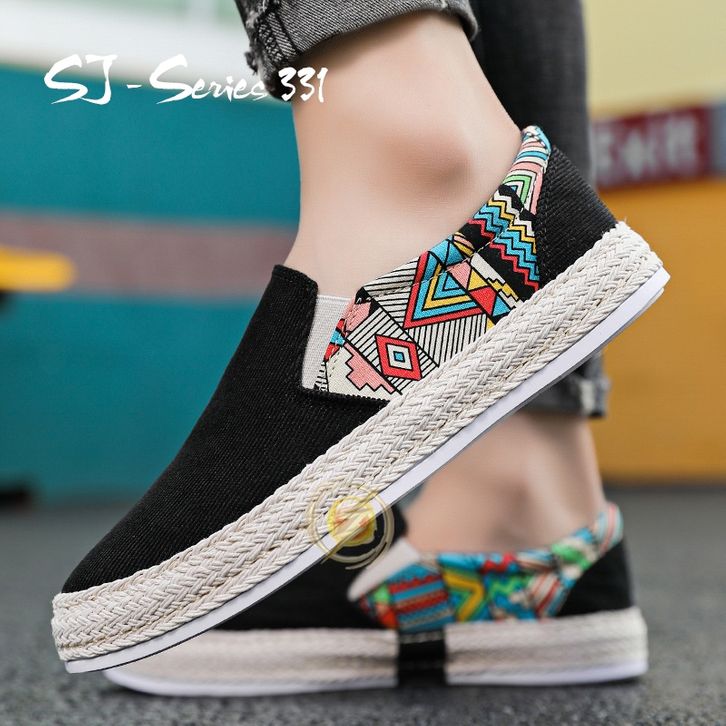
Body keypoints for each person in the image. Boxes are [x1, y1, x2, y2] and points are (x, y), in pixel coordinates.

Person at [51, 0, 667, 682]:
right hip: (491, 270)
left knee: (399, 92)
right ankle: (524, 485)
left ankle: (409, 152)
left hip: (403, 284)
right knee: (512, 448)